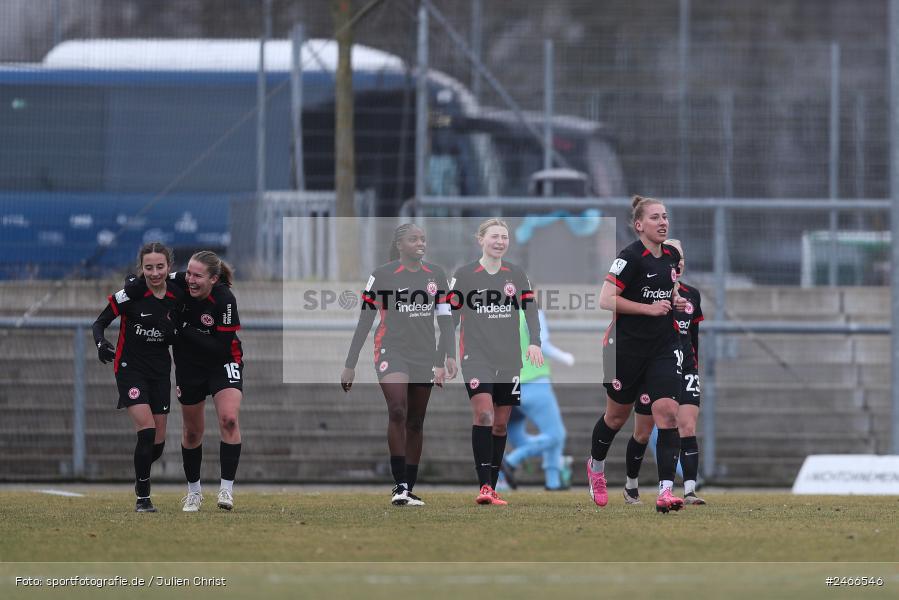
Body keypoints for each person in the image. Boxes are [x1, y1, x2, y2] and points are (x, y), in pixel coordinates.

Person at [341, 224, 456, 506]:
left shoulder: (436, 275)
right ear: (400, 244)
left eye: (423, 238)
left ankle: (409, 488)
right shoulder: (382, 275)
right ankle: (400, 486)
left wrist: (446, 358)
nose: (421, 243)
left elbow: (446, 321)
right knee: (397, 410)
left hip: (424, 355)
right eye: (414, 239)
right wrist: (350, 364)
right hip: (390, 350)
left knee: (416, 422)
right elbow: (365, 321)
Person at [588, 195, 687, 513]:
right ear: (639, 224)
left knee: (668, 414)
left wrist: (676, 301)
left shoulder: (671, 255)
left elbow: (666, 290)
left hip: (663, 347)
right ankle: (596, 467)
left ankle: (666, 491)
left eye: (665, 216)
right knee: (616, 418)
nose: (663, 222)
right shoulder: (629, 257)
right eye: (656, 217)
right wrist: (648, 308)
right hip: (625, 350)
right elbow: (605, 299)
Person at [125, 251, 244, 512]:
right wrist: (131, 284)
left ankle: (226, 488)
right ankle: (194, 491)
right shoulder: (178, 281)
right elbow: (152, 279)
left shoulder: (224, 299)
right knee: (192, 432)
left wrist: (181, 330)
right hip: (189, 366)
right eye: (188, 272)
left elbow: (221, 349)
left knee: (229, 419)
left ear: (213, 279)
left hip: (222, 362)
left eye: (197, 275)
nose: (190, 279)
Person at [448, 218, 544, 505]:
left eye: (504, 237)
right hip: (475, 357)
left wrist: (535, 342)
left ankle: (493, 484)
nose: (500, 241)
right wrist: (444, 355)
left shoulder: (516, 273)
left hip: (509, 359)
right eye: (494, 236)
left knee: (500, 425)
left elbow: (531, 311)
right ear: (481, 239)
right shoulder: (464, 275)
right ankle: (485, 487)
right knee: (485, 416)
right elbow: (450, 318)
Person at [93, 242, 183, 512]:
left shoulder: (178, 293)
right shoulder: (131, 292)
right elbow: (99, 322)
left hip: (160, 371)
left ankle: (141, 471)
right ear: (141, 269)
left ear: (168, 267)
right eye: (148, 268)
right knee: (146, 433)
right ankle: (143, 495)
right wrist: (100, 343)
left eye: (160, 267)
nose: (154, 273)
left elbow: (199, 279)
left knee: (157, 444)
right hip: (130, 368)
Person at [622, 239, 706, 505]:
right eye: (673, 255)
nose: (677, 261)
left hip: (684, 366)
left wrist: (694, 365)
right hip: (653, 363)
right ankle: (631, 485)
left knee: (687, 425)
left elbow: (693, 335)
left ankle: (689, 490)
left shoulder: (692, 295)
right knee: (643, 432)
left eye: (680, 256)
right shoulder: (645, 291)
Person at [500, 308, 575, 491]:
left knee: (524, 439)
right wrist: (565, 357)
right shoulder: (531, 312)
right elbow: (544, 345)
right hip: (534, 381)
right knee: (556, 434)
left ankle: (552, 482)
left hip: (509, 381)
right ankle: (510, 462)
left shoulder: (500, 313)